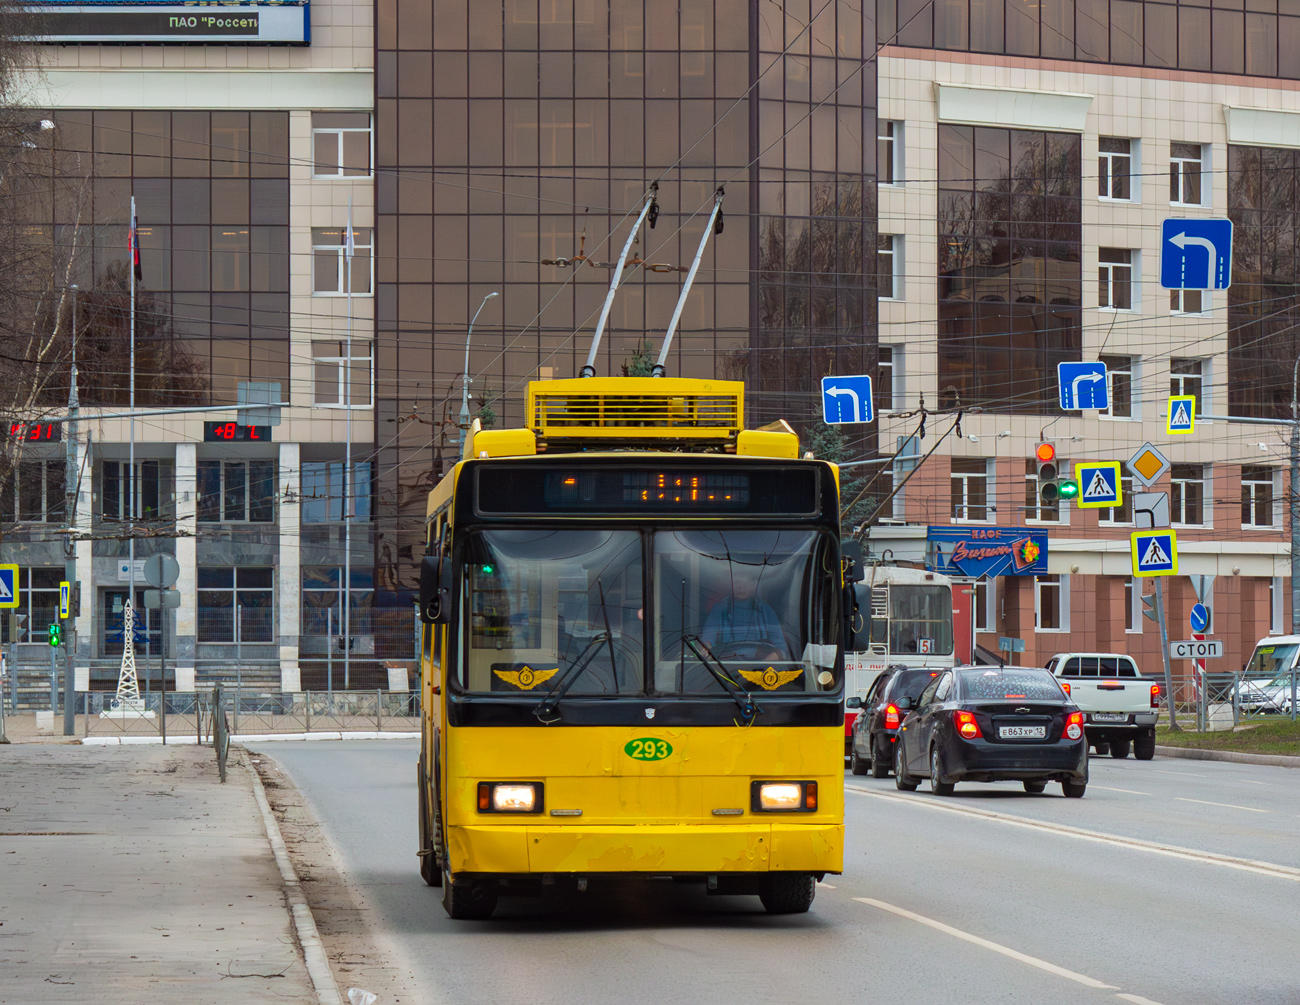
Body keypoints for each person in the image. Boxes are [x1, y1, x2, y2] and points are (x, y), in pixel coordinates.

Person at [700, 566, 788, 660]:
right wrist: (705, 647)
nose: (741, 587)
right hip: (726, 664)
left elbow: (780, 645)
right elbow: (709, 636)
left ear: (753, 586)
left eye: (745, 583)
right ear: (731, 585)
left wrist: (774, 656)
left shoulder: (765, 610)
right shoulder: (720, 608)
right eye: (737, 583)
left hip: (759, 666)